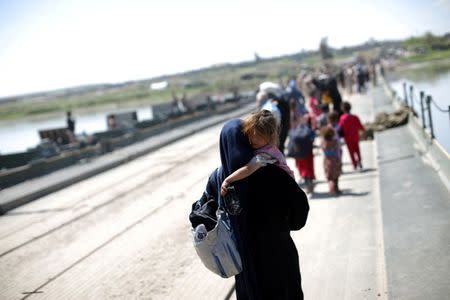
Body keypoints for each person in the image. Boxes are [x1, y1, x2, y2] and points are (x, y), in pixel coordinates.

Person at [218, 117, 309, 299]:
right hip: (279, 253)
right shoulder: (272, 170)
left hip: (246, 262)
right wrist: (284, 226)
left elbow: (201, 214)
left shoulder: (220, 178)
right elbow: (300, 209)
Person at [221, 110, 294, 196]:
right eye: (250, 134)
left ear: (270, 136)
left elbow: (248, 169)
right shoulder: (262, 146)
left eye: (258, 137)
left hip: (287, 186)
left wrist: (228, 180)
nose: (253, 140)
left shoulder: (266, 153)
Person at [288, 115, 316, 194]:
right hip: (308, 153)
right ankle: (310, 183)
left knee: (302, 169)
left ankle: (307, 185)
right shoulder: (308, 130)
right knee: (309, 168)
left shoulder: (293, 131)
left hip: (298, 155)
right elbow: (312, 139)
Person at [338, 101, 365, 170]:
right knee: (357, 150)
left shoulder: (342, 118)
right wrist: (363, 132)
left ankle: (354, 164)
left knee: (351, 151)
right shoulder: (355, 117)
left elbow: (340, 128)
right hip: (355, 136)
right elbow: (360, 126)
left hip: (347, 138)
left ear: (343, 109)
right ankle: (359, 161)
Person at [320, 126, 342, 195]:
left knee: (329, 176)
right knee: (336, 176)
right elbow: (338, 150)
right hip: (335, 160)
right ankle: (336, 188)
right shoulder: (334, 141)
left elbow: (322, 149)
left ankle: (331, 189)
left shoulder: (323, 142)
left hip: (326, 160)